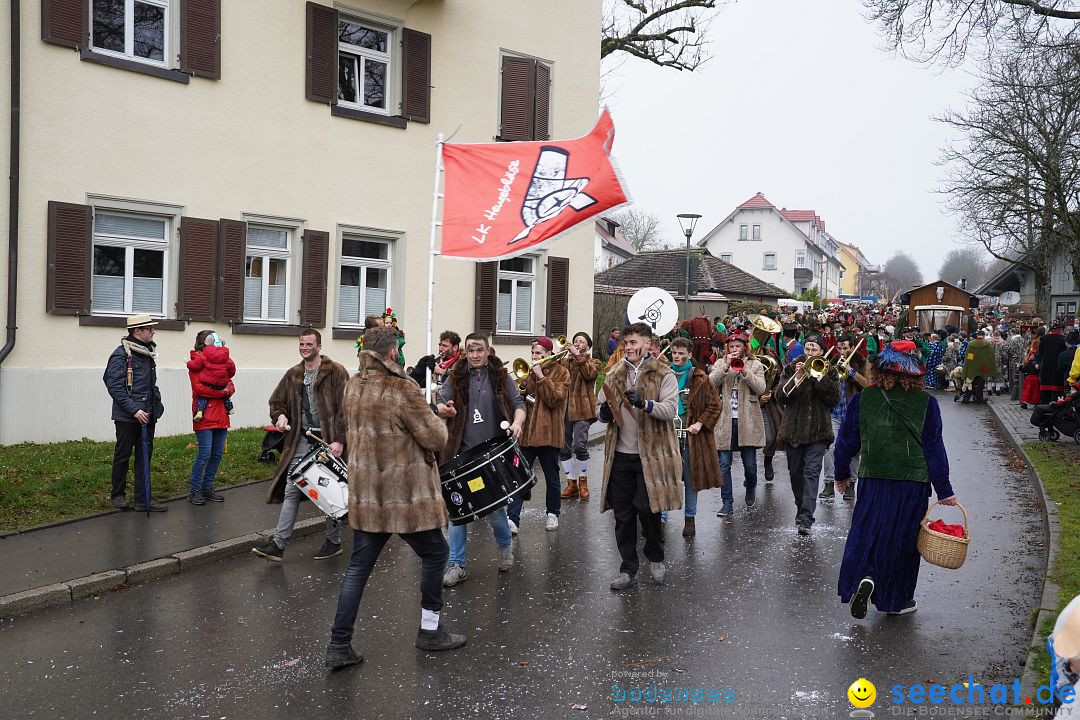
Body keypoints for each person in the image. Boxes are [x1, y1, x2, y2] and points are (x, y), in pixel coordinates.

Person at [324, 327, 464, 669]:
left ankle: (339, 645)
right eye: (398, 351)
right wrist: (438, 417)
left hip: (369, 496)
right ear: (391, 354)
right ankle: (430, 630)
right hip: (406, 497)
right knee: (437, 553)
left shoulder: (353, 386)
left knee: (358, 568)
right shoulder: (402, 388)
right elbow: (434, 438)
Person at [834, 340, 957, 618]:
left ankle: (864, 577)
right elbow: (934, 448)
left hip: (873, 478)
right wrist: (944, 489)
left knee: (868, 532)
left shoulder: (863, 399)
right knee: (901, 540)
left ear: (881, 369)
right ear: (915, 372)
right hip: (911, 483)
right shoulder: (928, 403)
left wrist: (841, 475)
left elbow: (845, 442)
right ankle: (895, 600)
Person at [596, 323, 682, 590]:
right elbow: (599, 405)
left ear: (648, 343)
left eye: (634, 342)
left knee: (648, 509)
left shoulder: (663, 373)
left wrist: (645, 403)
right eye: (627, 343)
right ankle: (628, 568)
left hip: (652, 457)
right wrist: (604, 414)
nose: (629, 347)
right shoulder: (614, 373)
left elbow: (670, 409)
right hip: (621, 455)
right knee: (622, 515)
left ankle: (655, 557)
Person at [436, 333, 526, 586]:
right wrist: (445, 409)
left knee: (495, 512)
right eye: (470, 350)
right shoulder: (455, 376)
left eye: (479, 350)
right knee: (458, 512)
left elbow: (519, 403)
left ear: (488, 351)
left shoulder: (501, 376)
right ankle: (457, 565)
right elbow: (440, 402)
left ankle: (505, 546)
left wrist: (517, 423)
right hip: (460, 457)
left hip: (493, 455)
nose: (474, 355)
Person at [252, 329, 349, 562]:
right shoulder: (293, 374)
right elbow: (277, 402)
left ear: (319, 346)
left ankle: (333, 541)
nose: (305, 347)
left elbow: (348, 408)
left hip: (328, 441)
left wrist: (340, 440)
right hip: (301, 439)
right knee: (292, 489)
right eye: (302, 344)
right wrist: (280, 417)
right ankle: (278, 544)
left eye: (309, 344)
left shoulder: (336, 372)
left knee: (329, 492)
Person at [776, 334, 841, 535]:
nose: (810, 354)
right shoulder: (791, 367)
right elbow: (781, 396)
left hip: (818, 432)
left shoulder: (828, 371)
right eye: (808, 349)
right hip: (793, 431)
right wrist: (796, 378)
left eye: (814, 350)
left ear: (821, 352)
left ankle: (806, 518)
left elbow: (834, 399)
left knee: (811, 473)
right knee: (796, 474)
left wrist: (819, 378)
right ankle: (801, 508)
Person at [102, 314, 167, 512]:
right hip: (128, 416)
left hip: (148, 414)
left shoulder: (147, 353)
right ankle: (118, 495)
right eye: (150, 329)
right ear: (137, 331)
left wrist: (154, 407)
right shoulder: (121, 354)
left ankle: (142, 499)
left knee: (144, 456)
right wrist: (134, 410)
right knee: (123, 455)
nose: (153, 332)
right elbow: (113, 385)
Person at [508, 337, 569, 532]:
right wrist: (523, 385)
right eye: (533, 353)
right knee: (520, 476)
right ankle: (513, 518)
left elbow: (554, 399)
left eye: (539, 353)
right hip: (527, 436)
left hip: (549, 434)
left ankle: (553, 514)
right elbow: (518, 398)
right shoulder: (527, 371)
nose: (534, 357)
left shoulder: (562, 372)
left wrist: (541, 377)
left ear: (549, 353)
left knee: (551, 478)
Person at [663, 337, 722, 537]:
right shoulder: (662, 374)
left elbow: (715, 405)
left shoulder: (700, 378)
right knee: (666, 479)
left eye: (681, 353)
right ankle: (661, 520)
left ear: (689, 355)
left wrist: (700, 423)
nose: (676, 356)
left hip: (690, 437)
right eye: (674, 352)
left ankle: (690, 518)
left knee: (690, 479)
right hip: (666, 434)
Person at [710, 331, 766, 518]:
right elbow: (710, 384)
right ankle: (727, 503)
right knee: (723, 465)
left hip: (747, 420)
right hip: (725, 420)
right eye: (731, 347)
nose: (734, 350)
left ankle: (750, 486)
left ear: (744, 347)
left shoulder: (755, 364)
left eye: (738, 346)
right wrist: (725, 366)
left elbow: (761, 388)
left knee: (749, 465)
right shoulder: (720, 362)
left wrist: (745, 372)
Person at [186, 331, 235, 505]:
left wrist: (226, 391)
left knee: (217, 453)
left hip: (221, 413)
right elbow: (198, 389)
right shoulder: (196, 364)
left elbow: (230, 383)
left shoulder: (220, 362)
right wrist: (220, 392)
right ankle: (194, 490)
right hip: (204, 414)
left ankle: (207, 488)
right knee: (205, 453)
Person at [820, 335, 869, 501]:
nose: (842, 352)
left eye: (845, 348)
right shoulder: (831, 362)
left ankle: (851, 485)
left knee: (854, 451)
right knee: (829, 448)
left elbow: (868, 385)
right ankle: (828, 484)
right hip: (834, 412)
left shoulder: (862, 363)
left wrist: (851, 371)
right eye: (839, 348)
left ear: (852, 347)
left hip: (853, 414)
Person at [558, 332, 600, 500]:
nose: (577, 343)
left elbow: (590, 375)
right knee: (563, 447)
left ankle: (583, 482)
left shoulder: (593, 362)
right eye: (575, 341)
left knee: (579, 446)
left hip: (583, 410)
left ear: (588, 347)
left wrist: (577, 356)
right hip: (564, 409)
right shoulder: (564, 361)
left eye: (581, 342)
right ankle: (571, 483)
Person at [957, 329, 997, 404]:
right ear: (984, 336)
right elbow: (991, 356)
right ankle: (979, 399)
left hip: (972, 365)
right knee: (980, 383)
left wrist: (968, 365)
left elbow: (969, 356)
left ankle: (966, 399)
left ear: (977, 335)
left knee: (969, 382)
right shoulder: (988, 344)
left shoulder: (971, 344)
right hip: (983, 366)